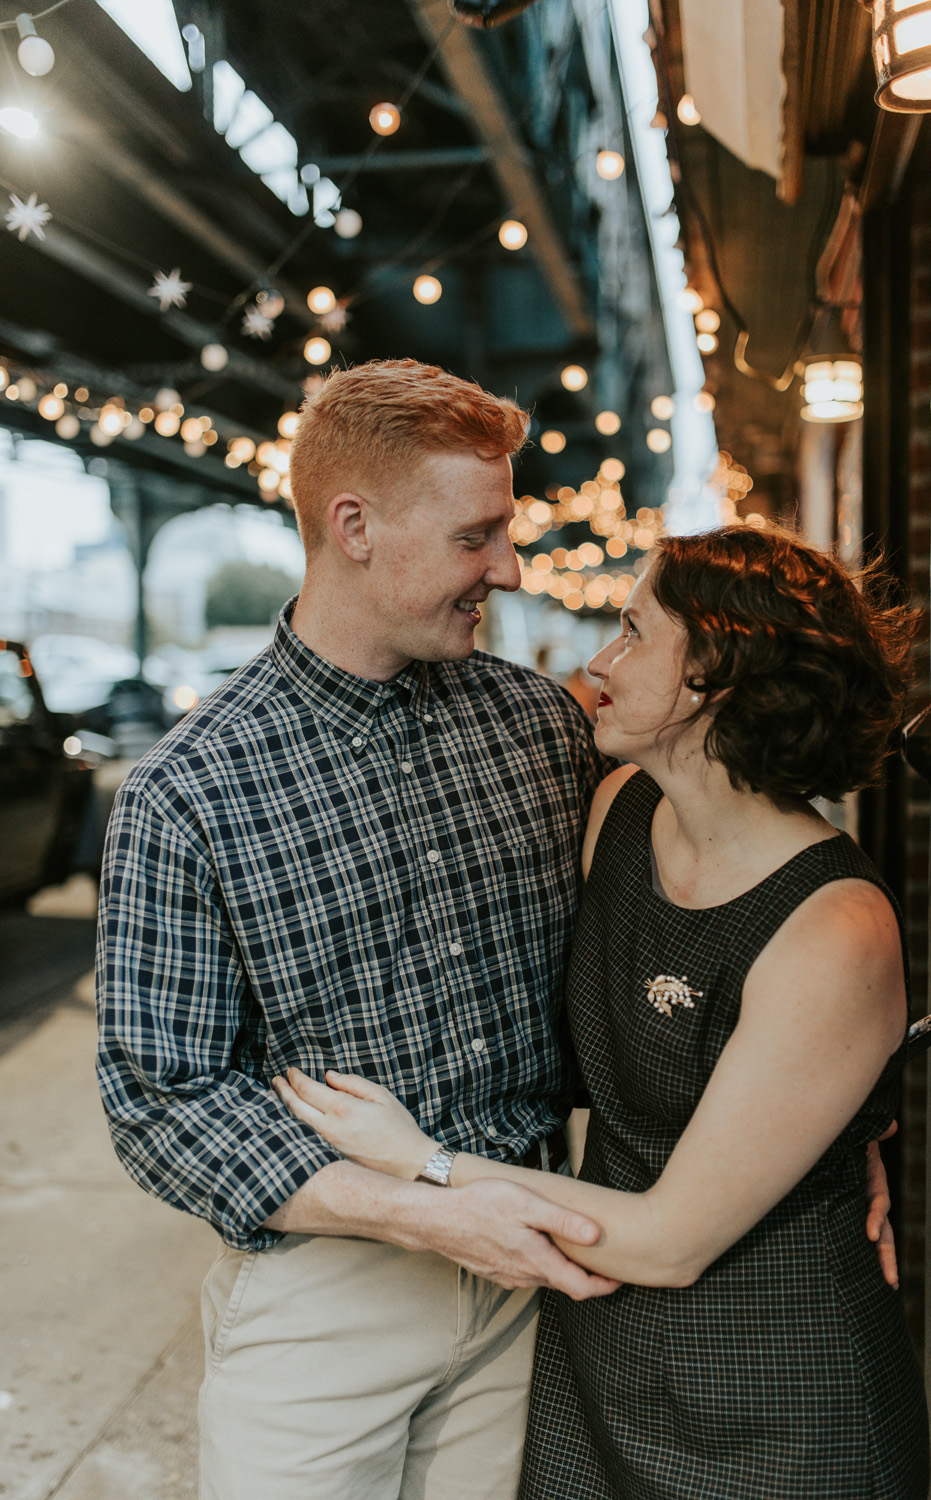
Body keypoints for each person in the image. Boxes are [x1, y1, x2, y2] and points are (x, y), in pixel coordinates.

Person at [274, 523, 930, 1500]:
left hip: (777, 1399)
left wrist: (418, 1162)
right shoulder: (614, 808)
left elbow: (670, 1237)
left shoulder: (833, 926)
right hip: (599, 1360)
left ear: (715, 673)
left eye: (630, 632)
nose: (597, 660)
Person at [95, 359, 622, 1500]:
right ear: (355, 527)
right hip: (326, 1290)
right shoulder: (190, 790)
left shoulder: (538, 729)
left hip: (534, 1261)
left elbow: (675, 936)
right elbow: (163, 1103)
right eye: (475, 537)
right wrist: (426, 1212)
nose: (509, 569)